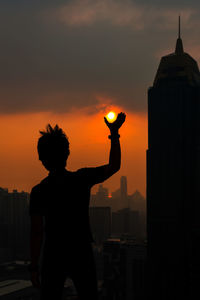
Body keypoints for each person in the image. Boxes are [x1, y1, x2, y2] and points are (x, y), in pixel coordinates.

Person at [28, 112, 126, 300]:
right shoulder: (80, 179)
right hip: (81, 251)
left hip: (53, 254)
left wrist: (33, 267)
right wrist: (114, 134)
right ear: (67, 153)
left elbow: (36, 232)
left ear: (42, 158)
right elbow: (114, 166)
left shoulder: (39, 191)